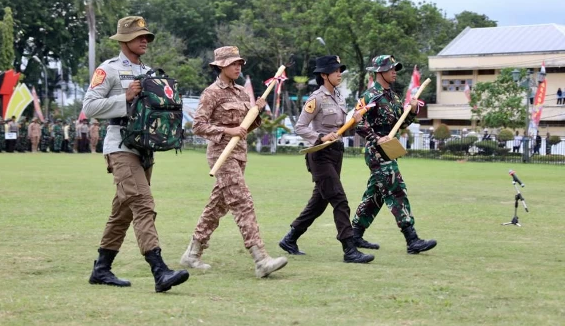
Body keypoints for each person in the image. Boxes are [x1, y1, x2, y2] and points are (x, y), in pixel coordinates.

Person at [83, 16, 189, 293]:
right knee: (143, 204)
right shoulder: (109, 69)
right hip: (120, 147)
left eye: (147, 37)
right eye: (139, 36)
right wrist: (125, 98)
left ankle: (101, 269)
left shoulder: (151, 71)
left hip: (145, 149)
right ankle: (159, 271)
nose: (145, 40)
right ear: (123, 40)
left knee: (122, 213)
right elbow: (90, 107)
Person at [180, 46, 288, 278]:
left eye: (239, 63)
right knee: (242, 201)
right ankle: (260, 259)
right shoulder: (212, 93)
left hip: (239, 155)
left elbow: (247, 126)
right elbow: (198, 125)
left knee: (217, 206)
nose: (238, 66)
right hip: (221, 155)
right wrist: (227, 130)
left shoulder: (241, 92)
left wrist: (256, 112)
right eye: (233, 63)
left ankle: (192, 253)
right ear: (221, 67)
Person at [278, 55, 374, 264]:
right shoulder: (316, 99)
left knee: (319, 202)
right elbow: (300, 127)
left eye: (340, 70)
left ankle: (290, 238)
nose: (340, 73)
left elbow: (341, 130)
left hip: (336, 153)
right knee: (339, 199)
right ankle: (349, 249)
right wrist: (320, 137)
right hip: (320, 154)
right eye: (335, 70)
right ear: (324, 75)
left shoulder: (339, 97)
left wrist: (355, 122)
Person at [352, 55, 437, 255]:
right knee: (396, 190)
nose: (394, 71)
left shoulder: (394, 96)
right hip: (377, 153)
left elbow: (401, 123)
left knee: (377, 194)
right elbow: (357, 122)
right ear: (379, 71)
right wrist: (375, 138)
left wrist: (413, 111)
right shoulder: (370, 95)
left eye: (395, 68)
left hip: (390, 151)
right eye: (391, 68)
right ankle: (412, 239)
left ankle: (354, 234)